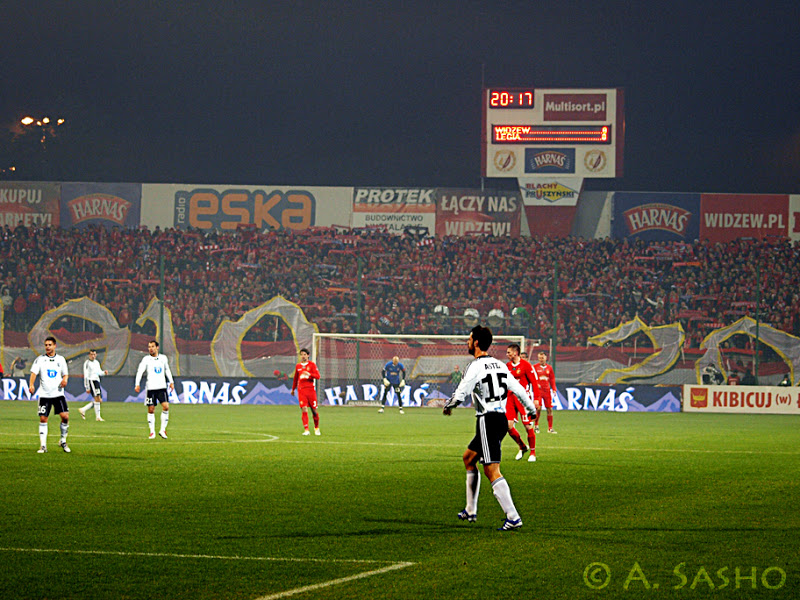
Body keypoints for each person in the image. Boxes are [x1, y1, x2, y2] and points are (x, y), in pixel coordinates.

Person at [443, 325, 537, 531]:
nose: (467, 342)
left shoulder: (475, 367)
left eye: (469, 338)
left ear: (476, 342)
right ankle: (470, 509)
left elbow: (463, 390)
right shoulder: (500, 365)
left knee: (491, 469)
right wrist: (531, 409)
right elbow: (519, 389)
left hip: (487, 419)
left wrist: (450, 404)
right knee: (469, 458)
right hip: (501, 419)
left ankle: (513, 516)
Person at [28, 336, 70, 453]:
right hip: (45, 395)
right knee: (43, 418)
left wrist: (65, 380)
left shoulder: (61, 360)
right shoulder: (40, 359)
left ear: (55, 346)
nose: (47, 347)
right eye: (46, 345)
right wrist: (31, 384)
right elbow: (33, 372)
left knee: (65, 417)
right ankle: (43, 446)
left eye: (50, 345)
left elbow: (65, 374)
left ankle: (63, 440)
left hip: (58, 394)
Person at [505, 344, 542, 463]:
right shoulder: (507, 366)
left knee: (527, 425)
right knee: (508, 426)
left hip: (523, 399)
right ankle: (522, 446)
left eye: (509, 352)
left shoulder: (526, 365)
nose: (507, 355)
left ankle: (532, 452)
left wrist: (536, 398)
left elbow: (534, 383)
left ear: (515, 353)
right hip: (510, 398)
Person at [135, 340, 175, 439]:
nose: (150, 349)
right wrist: (137, 383)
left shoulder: (163, 358)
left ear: (157, 347)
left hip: (162, 387)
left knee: (166, 407)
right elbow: (140, 371)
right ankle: (152, 431)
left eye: (152, 346)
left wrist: (171, 382)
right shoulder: (146, 359)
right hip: (151, 388)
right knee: (151, 409)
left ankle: (162, 430)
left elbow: (167, 370)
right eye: (149, 347)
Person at [291, 348, 321, 435]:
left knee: (314, 411)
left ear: (308, 355)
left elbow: (318, 376)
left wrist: (309, 375)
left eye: (304, 354)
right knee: (304, 408)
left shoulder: (312, 365)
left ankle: (316, 428)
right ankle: (306, 430)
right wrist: (293, 389)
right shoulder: (298, 366)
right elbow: (295, 378)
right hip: (301, 390)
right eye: (301, 354)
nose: (303, 356)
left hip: (311, 390)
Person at [79, 349, 108, 421]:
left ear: (96, 355)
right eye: (91, 354)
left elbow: (98, 372)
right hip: (91, 381)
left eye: (94, 354)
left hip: (96, 381)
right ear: (89, 355)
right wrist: (87, 387)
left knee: (99, 400)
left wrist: (104, 373)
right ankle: (97, 417)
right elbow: (86, 375)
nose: (93, 356)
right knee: (98, 399)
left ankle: (83, 409)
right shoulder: (87, 363)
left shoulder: (97, 362)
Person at [533, 351, 558, 434]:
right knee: (538, 408)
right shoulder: (535, 367)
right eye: (539, 358)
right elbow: (532, 378)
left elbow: (552, 379)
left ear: (546, 358)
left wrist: (554, 389)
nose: (541, 359)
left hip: (547, 391)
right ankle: (536, 426)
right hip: (538, 391)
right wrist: (536, 384)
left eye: (542, 358)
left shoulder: (549, 368)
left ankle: (550, 428)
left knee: (549, 409)